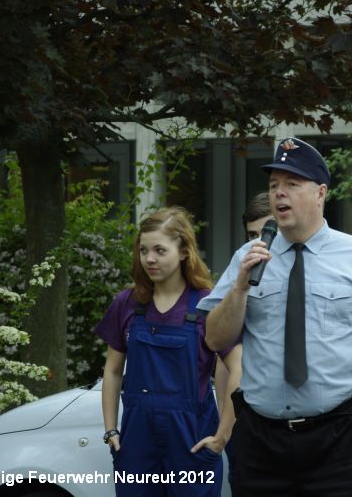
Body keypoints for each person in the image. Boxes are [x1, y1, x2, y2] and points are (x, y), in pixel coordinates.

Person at [199, 137, 352, 496]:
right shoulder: (248, 257)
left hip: (339, 437)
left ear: (320, 193)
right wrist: (239, 288)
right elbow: (214, 339)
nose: (279, 193)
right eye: (273, 185)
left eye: (292, 184)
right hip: (260, 440)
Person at [95, 206, 242, 497]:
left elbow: (239, 368)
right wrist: (111, 430)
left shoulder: (207, 304)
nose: (149, 259)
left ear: (184, 251)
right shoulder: (128, 303)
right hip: (137, 442)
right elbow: (112, 371)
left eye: (160, 250)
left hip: (191, 440)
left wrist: (222, 436)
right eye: (143, 250)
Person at [214, 192, 273, 493]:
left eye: (268, 233)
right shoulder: (239, 279)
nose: (260, 244)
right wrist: (226, 427)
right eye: (252, 236)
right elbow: (223, 356)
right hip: (247, 419)